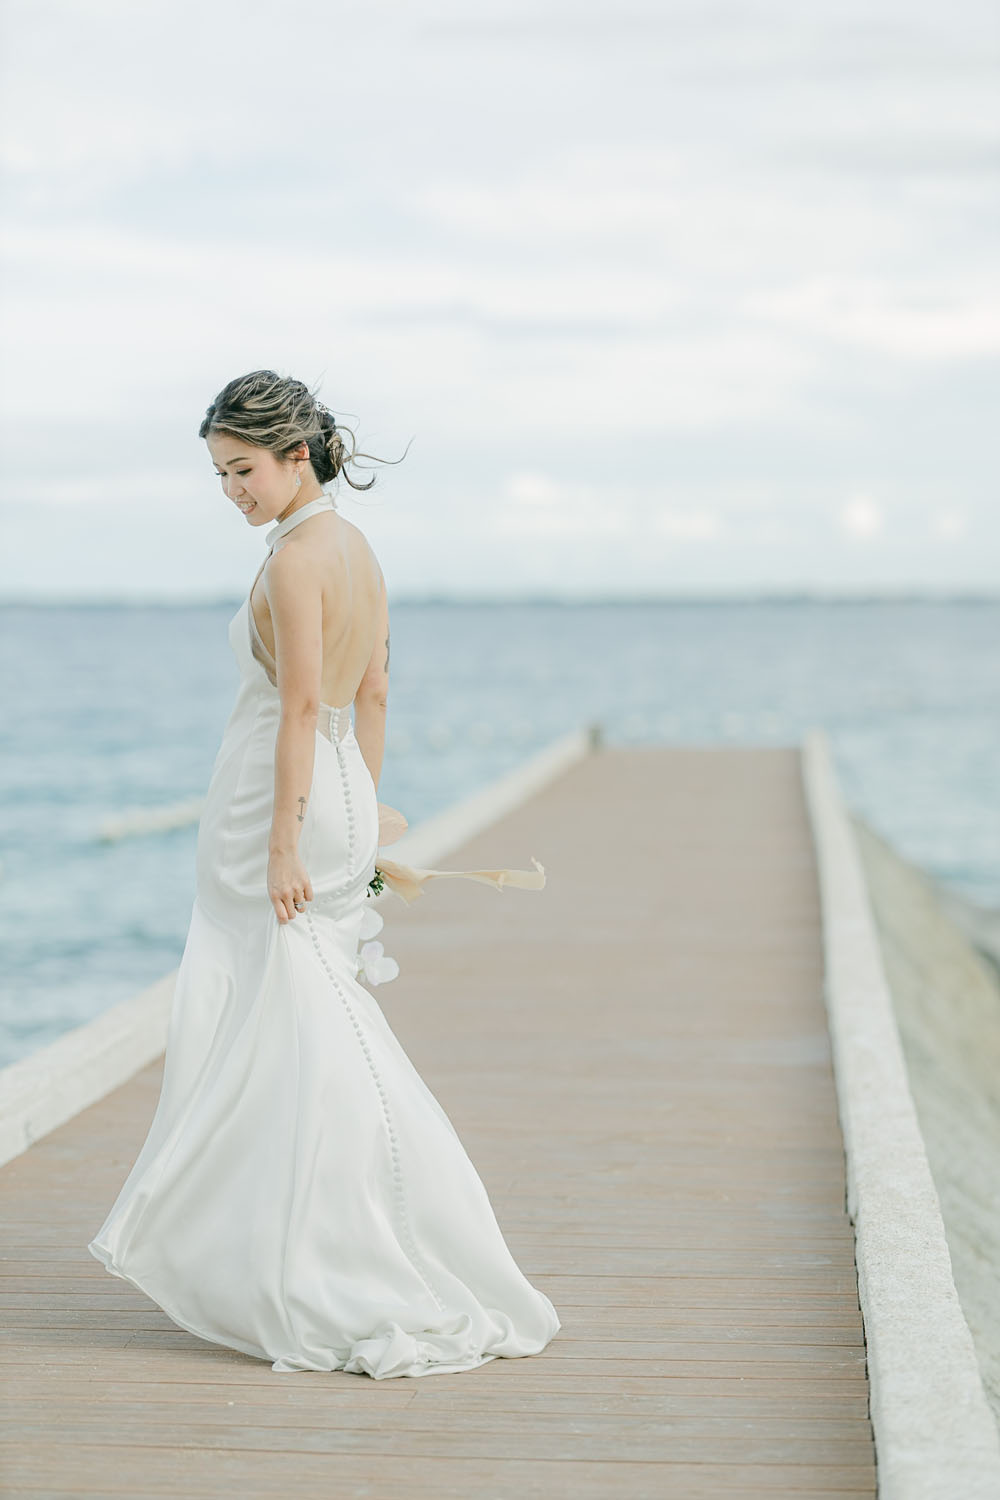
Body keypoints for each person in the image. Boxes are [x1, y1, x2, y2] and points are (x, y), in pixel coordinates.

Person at [87, 369, 560, 1378]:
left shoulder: (299, 560)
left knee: (294, 1024)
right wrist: (363, 809)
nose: (232, 492)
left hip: (283, 809)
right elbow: (374, 690)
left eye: (243, 470)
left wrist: (283, 843)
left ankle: (356, 1242)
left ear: (295, 455)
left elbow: (300, 705)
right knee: (294, 1022)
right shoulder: (358, 549)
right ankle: (297, 1232)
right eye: (220, 475)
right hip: (341, 792)